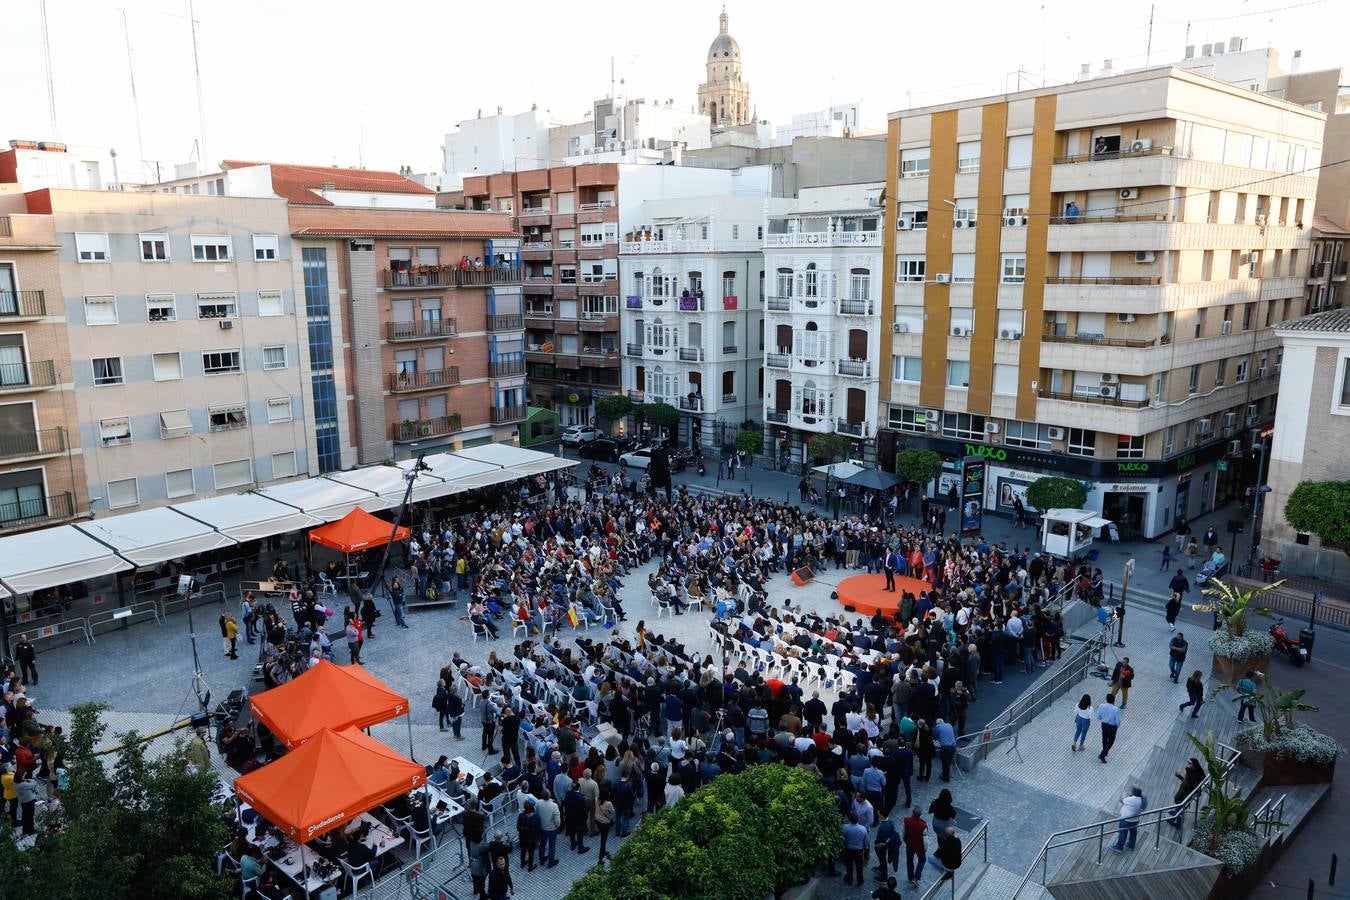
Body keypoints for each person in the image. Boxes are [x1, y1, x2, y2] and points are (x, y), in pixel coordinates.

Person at [1169, 759, 1205, 827]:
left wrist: (1176, 798)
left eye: (1190, 763)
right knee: (1180, 808)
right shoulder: (1195, 774)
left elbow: (1181, 792)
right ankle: (1175, 814)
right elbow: (1187, 783)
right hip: (1188, 795)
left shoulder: (1190, 779)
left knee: (1179, 808)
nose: (1188, 765)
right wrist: (1179, 776)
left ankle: (1175, 822)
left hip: (1184, 797)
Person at [1109, 787, 1146, 852]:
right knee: (1133, 832)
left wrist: (1121, 795)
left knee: (1123, 833)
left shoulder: (1131, 799)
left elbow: (1121, 800)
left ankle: (1119, 847)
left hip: (1126, 820)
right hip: (1135, 820)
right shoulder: (1142, 799)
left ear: (1134, 792)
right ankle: (1131, 845)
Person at [839, 810, 870, 886]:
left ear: (849, 819)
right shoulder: (863, 829)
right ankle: (860, 880)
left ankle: (849, 879)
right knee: (859, 866)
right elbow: (866, 842)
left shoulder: (845, 828)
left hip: (849, 850)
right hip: (859, 851)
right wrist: (863, 848)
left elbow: (842, 838)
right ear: (858, 819)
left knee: (849, 866)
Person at [902, 806, 928, 888]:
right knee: (922, 860)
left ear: (912, 812)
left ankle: (910, 876)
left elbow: (903, 832)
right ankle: (916, 878)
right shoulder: (923, 825)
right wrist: (925, 848)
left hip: (909, 844)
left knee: (909, 860)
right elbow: (925, 840)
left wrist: (905, 840)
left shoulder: (906, 820)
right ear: (920, 815)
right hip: (919, 846)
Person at [536, 790, 561, 868]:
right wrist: (557, 826)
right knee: (551, 845)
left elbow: (536, 813)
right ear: (549, 796)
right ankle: (551, 862)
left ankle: (542, 859)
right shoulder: (554, 805)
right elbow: (557, 820)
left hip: (542, 827)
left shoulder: (538, 803)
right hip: (551, 829)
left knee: (542, 844)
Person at [516, 799, 542, 871]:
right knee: (531, 852)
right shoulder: (536, 817)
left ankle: (522, 863)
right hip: (532, 838)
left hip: (523, 838)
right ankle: (530, 866)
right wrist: (538, 839)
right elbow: (538, 828)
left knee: (523, 850)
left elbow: (518, 827)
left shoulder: (521, 816)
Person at [873, 815, 900, 884]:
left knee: (882, 860)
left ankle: (884, 877)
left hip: (881, 846)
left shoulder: (882, 827)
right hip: (886, 844)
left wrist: (878, 844)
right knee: (882, 859)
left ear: (881, 815)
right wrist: (887, 841)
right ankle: (881, 868)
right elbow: (892, 834)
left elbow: (879, 839)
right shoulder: (891, 822)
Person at [595, 784, 616, 862]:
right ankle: (601, 857)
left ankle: (604, 851)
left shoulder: (596, 799)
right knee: (603, 839)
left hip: (597, 820)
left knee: (603, 837)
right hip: (605, 823)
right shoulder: (608, 804)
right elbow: (613, 812)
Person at [1097, 694, 1121, 763]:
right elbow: (1117, 721)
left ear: (1106, 699)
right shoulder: (1116, 709)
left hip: (1104, 725)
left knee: (1104, 739)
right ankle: (1103, 754)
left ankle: (1104, 752)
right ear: (1113, 701)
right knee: (1111, 741)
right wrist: (1117, 725)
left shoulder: (1101, 706)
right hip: (1112, 727)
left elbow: (1098, 717)